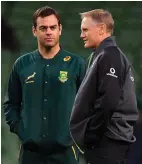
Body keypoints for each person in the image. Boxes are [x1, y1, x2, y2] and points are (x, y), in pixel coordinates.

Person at [3, 6, 86, 164]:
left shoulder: (77, 64)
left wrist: (73, 135)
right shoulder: (22, 64)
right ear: (34, 31)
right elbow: (10, 104)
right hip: (31, 153)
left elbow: (88, 105)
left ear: (60, 30)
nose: (48, 32)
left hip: (66, 152)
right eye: (43, 28)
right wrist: (22, 131)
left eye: (53, 27)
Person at [70, 9, 139, 164]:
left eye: (85, 30)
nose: (81, 35)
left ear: (101, 28)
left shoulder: (109, 55)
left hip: (107, 142)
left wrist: (91, 134)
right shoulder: (106, 54)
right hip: (108, 141)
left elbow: (108, 101)